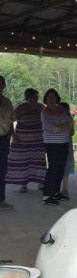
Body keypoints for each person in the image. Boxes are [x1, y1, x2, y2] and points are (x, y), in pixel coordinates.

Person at [5, 88, 46, 193]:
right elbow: (10, 120)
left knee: (38, 162)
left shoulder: (41, 107)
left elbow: (47, 120)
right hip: (22, 140)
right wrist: (13, 134)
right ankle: (23, 185)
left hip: (37, 140)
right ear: (27, 98)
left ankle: (41, 183)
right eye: (32, 97)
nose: (35, 99)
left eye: (36, 97)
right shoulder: (20, 108)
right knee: (23, 162)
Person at [41, 89, 73, 206]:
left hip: (63, 143)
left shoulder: (62, 110)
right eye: (48, 97)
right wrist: (63, 126)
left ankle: (55, 192)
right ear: (46, 99)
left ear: (57, 99)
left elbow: (71, 124)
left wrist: (60, 126)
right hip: (51, 144)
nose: (51, 99)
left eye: (53, 97)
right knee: (53, 168)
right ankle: (47, 195)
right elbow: (51, 129)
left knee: (60, 168)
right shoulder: (45, 113)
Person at [0, 75, 14, 210]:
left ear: (4, 86)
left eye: (1, 84)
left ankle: (1, 200)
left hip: (3, 139)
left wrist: (10, 134)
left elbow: (11, 121)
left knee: (2, 170)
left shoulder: (8, 102)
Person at [59, 102, 75, 200]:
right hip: (66, 142)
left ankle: (64, 189)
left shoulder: (64, 118)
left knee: (63, 165)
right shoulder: (69, 118)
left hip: (64, 143)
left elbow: (72, 132)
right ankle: (65, 188)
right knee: (64, 165)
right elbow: (72, 132)